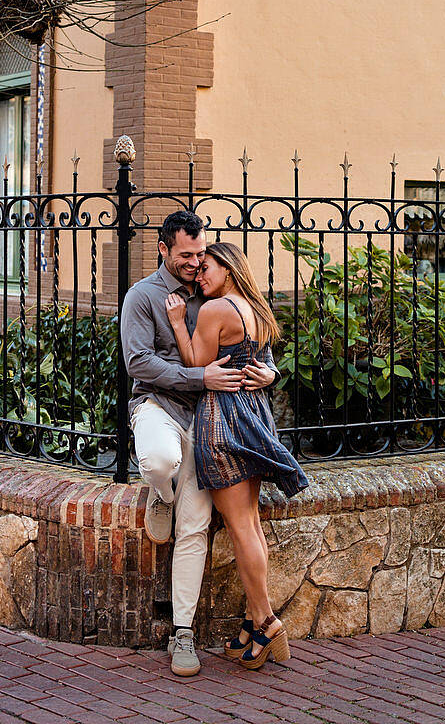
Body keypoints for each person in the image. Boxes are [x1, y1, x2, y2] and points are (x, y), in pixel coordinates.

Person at [119, 211, 278, 677]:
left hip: (207, 421)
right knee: (159, 460)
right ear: (163, 249)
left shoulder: (214, 292)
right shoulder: (142, 297)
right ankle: (160, 494)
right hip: (158, 405)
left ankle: (182, 632)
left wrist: (271, 373)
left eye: (200, 254)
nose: (194, 263)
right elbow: (138, 363)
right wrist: (198, 376)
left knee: (196, 525)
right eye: (186, 255)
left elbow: (255, 345)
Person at [166, 240, 309, 671]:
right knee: (251, 525)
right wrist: (272, 373)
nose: (199, 275)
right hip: (255, 414)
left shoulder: (214, 310)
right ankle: (251, 623)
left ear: (227, 268)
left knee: (242, 526)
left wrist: (177, 321)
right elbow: (263, 362)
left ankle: (266, 620)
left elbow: (197, 362)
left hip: (224, 420)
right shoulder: (254, 308)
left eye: (206, 267)